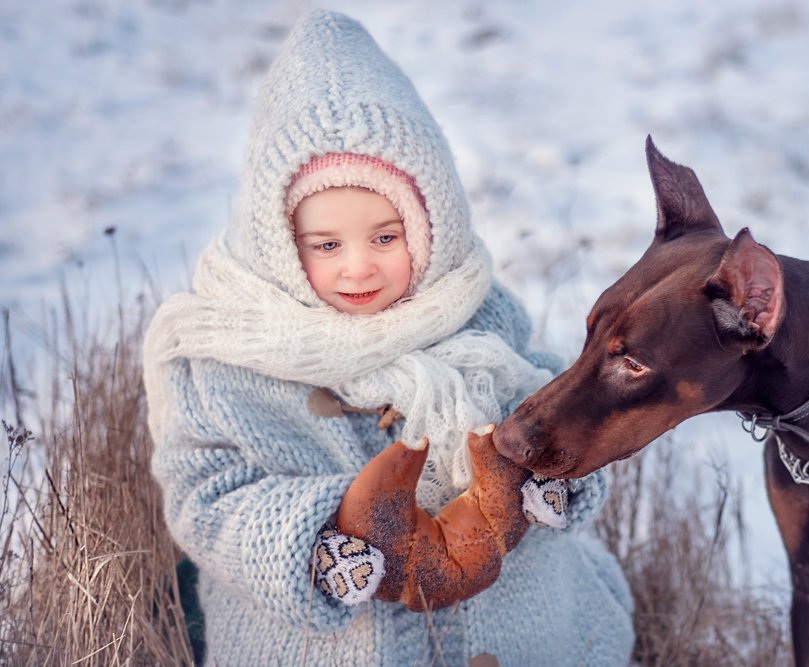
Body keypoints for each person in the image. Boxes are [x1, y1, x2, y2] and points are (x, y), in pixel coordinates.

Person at [143, 9, 634, 666]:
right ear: (278, 245)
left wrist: (546, 476)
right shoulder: (226, 355)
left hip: (516, 627)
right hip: (321, 643)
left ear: (432, 226)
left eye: (385, 237)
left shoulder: (479, 314)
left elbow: (552, 404)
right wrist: (325, 536)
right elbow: (204, 493)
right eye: (326, 244)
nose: (359, 267)